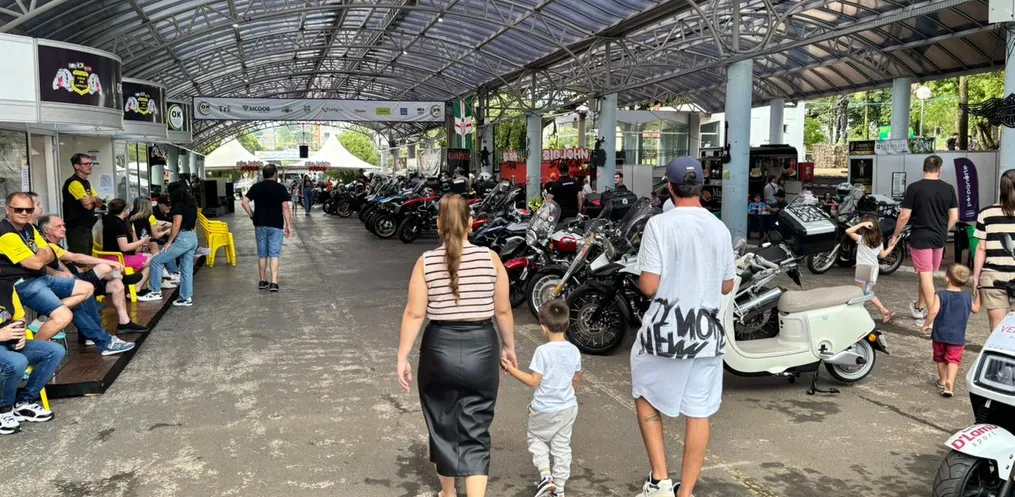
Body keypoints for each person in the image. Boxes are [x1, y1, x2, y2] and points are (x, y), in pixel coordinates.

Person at [396, 194, 517, 497]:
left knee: (443, 423)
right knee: (476, 426)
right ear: (471, 223)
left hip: (439, 350)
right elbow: (503, 310)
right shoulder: (490, 259)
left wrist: (403, 356)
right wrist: (509, 347)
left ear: (439, 225)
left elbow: (414, 313)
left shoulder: (425, 262)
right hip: (482, 348)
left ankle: (448, 493)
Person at [633, 156, 736, 497]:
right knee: (699, 411)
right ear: (701, 188)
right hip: (706, 334)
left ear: (670, 187)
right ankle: (685, 492)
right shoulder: (719, 228)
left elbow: (649, 286)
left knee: (645, 395)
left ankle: (660, 480)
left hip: (664, 332)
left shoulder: (659, 226)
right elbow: (726, 285)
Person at [501, 299, 580, 497]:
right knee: (562, 446)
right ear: (567, 324)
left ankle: (546, 476)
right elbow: (576, 379)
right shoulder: (574, 350)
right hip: (568, 407)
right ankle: (559, 487)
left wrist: (511, 369)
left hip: (544, 408)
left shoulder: (543, 352)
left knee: (536, 438)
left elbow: (533, 381)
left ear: (543, 327)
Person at [38, 214, 147, 338]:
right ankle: (121, 277)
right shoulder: (46, 246)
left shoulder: (57, 246)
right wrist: (108, 262)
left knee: (116, 285)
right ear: (46, 230)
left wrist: (84, 269)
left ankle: (124, 323)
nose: (64, 229)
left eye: (63, 225)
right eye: (58, 226)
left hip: (79, 279)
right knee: (104, 267)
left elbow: (72, 265)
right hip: (70, 285)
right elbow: (76, 257)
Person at [2, 192, 91, 341]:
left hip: (38, 278)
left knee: (87, 288)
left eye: (28, 210)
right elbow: (36, 264)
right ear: (7, 209)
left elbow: (51, 254)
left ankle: (43, 317)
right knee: (63, 316)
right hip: (20, 284)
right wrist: (42, 253)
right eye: (18, 209)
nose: (24, 213)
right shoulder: (5, 233)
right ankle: (35, 347)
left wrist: (41, 254)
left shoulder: (29, 228)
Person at [891, 155, 958, 326]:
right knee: (926, 274)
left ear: (924, 168)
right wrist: (943, 230)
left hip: (921, 237)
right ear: (939, 170)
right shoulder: (949, 188)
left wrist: (895, 235)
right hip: (939, 238)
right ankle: (919, 307)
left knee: (926, 276)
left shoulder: (914, 188)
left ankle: (934, 318)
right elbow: (954, 217)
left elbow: (904, 215)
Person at [0, 279, 66, 435]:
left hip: (10, 343)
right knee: (17, 362)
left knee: (55, 351)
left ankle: (24, 402)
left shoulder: (6, 287)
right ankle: (4, 410)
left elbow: (19, 317)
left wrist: (20, 334)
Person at [922, 264, 980, 397]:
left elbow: (933, 311)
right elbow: (976, 309)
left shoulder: (941, 295)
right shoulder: (967, 297)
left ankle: (942, 380)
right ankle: (950, 382)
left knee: (940, 357)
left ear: (947, 279)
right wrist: (979, 294)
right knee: (953, 359)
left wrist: (927, 324)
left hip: (939, 334)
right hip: (957, 336)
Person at [972, 169, 1015, 332]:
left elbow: (981, 248)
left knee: (997, 330)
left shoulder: (986, 213)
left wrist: (976, 277)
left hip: (993, 277)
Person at [145, 185, 199, 307]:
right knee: (186, 269)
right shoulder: (192, 204)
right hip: (192, 237)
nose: (168, 195)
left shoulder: (178, 205)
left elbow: (176, 225)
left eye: (169, 192)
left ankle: (155, 291)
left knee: (156, 260)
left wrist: (169, 242)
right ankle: (186, 298)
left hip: (183, 238)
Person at [242, 164, 292, 292]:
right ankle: (274, 282)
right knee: (274, 254)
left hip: (260, 224)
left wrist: (252, 215)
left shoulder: (256, 187)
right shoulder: (280, 188)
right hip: (276, 225)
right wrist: (288, 225)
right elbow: (285, 207)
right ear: (275, 174)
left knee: (262, 254)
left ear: (263, 174)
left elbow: (244, 202)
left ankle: (262, 280)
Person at [846, 215, 900, 323]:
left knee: (861, 293)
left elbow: (848, 231)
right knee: (867, 292)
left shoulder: (861, 239)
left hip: (861, 268)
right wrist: (892, 247)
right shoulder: (879, 241)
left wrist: (862, 224)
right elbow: (883, 255)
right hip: (873, 269)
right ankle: (883, 311)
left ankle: (880, 311)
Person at [101, 199, 156, 299]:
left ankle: (142, 288)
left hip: (110, 256)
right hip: (118, 259)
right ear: (125, 209)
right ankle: (136, 289)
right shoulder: (118, 224)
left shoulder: (109, 220)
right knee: (153, 260)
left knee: (148, 257)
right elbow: (124, 247)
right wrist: (142, 241)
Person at [62, 153, 103, 255]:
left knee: (88, 256)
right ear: (77, 166)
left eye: (91, 163)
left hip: (87, 227)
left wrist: (92, 199)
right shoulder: (74, 182)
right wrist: (93, 200)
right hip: (77, 227)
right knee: (80, 257)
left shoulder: (86, 183)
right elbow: (87, 205)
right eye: (86, 164)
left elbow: (100, 202)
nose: (90, 166)